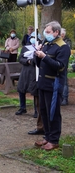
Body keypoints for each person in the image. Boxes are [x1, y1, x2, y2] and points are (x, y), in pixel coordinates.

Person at [34, 21, 70, 151]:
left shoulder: (63, 47)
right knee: (43, 110)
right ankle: (47, 136)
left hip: (54, 83)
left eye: (48, 32)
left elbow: (60, 66)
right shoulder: (47, 44)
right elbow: (40, 65)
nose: (46, 34)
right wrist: (37, 54)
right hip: (43, 82)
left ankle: (54, 140)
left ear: (56, 32)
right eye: (46, 32)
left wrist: (44, 57)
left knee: (53, 112)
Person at [60, 28, 72, 106]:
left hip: (63, 64)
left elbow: (67, 51)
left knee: (64, 82)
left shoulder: (67, 42)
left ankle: (65, 98)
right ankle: (60, 97)